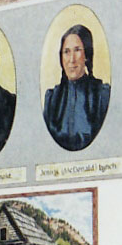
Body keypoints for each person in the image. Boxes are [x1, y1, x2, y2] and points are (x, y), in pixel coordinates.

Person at [42, 23, 111, 151]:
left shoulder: (102, 95)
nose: (71, 59)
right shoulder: (51, 99)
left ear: (87, 55)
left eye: (77, 50)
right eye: (66, 52)